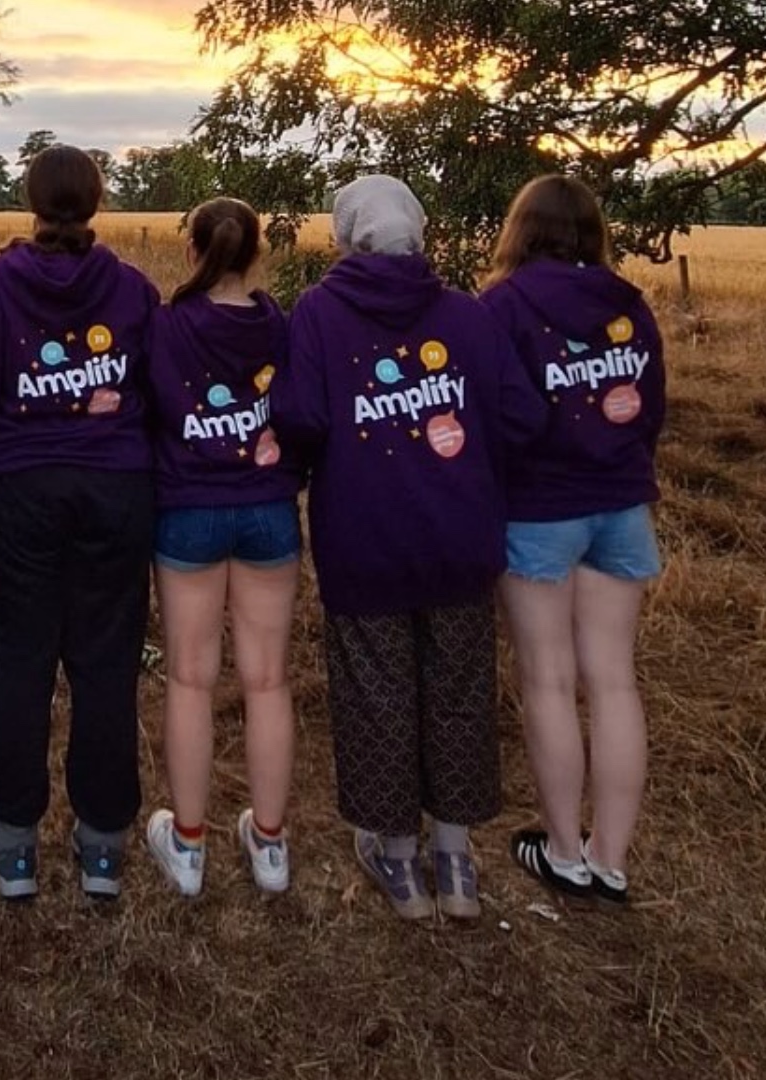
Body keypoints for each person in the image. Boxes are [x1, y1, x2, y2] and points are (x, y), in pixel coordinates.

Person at [272, 175, 545, 922]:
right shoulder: (468, 313)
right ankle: (455, 862)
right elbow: (520, 417)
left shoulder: (319, 313)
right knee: (459, 693)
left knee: (376, 695)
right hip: (461, 537)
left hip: (365, 539)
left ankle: (397, 862)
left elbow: (299, 417)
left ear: (347, 235)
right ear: (416, 232)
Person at [0, 145, 161, 902]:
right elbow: (152, 385)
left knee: (19, 662)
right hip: (115, 490)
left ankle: (13, 846)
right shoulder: (134, 290)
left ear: (29, 199)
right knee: (106, 664)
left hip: (19, 490)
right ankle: (102, 848)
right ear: (97, 201)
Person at [480, 175, 666, 908]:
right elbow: (651, 408)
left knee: (549, 680)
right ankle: (610, 860)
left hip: (538, 512)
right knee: (615, 680)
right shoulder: (629, 303)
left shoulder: (502, 305)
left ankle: (563, 852)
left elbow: (508, 414)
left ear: (520, 230)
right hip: (621, 505)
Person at [141, 197, 302, 898]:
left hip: (188, 513)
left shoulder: (167, 325)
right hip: (268, 509)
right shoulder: (280, 324)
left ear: (192, 251)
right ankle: (269, 845)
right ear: (257, 252)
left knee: (190, 678)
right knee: (268, 679)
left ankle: (190, 841)